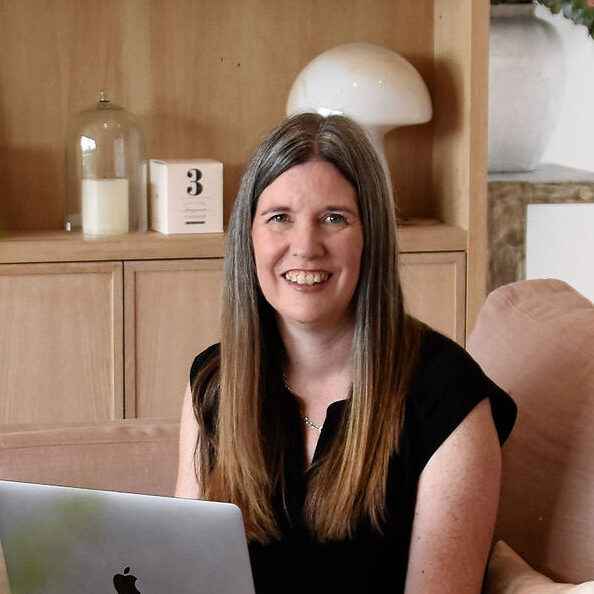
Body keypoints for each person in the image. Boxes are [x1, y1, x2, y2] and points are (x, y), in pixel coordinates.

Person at [175, 112, 517, 594]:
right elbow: (184, 573)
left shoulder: (448, 398)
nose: (305, 246)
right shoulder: (215, 381)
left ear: (370, 238)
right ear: (248, 239)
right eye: (279, 218)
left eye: (334, 219)